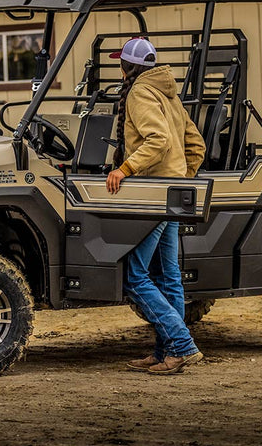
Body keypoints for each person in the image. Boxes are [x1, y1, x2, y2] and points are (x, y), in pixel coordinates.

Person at [105, 38, 206, 375]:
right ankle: (167, 353)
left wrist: (125, 169)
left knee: (135, 276)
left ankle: (183, 345)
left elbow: (158, 141)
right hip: (172, 194)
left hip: (153, 195)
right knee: (169, 278)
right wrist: (180, 177)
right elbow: (195, 145)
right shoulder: (168, 93)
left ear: (128, 67)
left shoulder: (139, 93)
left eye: (120, 62)